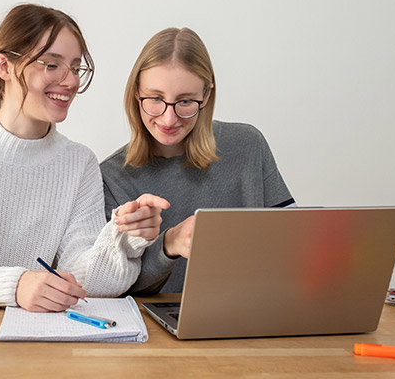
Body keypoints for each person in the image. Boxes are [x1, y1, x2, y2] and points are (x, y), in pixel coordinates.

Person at [0, 4, 161, 312]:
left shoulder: (79, 163)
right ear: (5, 67)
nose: (70, 82)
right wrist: (15, 286)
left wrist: (123, 238)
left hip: (35, 340)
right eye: (52, 65)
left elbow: (83, 282)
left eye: (75, 67)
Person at [101, 27, 295, 295]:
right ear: (136, 93)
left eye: (185, 101)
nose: (169, 119)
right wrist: (168, 244)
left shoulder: (248, 145)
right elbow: (117, 289)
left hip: (252, 315)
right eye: (156, 99)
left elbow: (294, 247)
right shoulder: (110, 177)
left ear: (206, 96)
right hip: (156, 328)